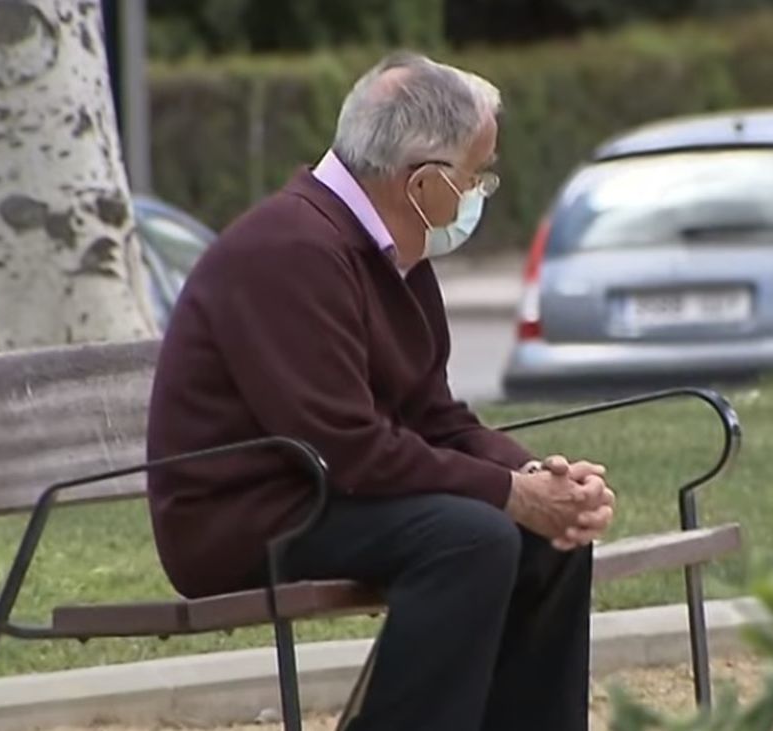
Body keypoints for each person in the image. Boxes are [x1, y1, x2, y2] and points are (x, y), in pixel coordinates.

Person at [146, 51, 615, 731]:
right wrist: (510, 494)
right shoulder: (288, 249)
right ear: (423, 183)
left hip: (326, 494)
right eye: (478, 175)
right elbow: (348, 447)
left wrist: (537, 477)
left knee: (546, 536)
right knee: (473, 535)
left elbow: (433, 415)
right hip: (243, 515)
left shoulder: (394, 249)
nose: (482, 191)